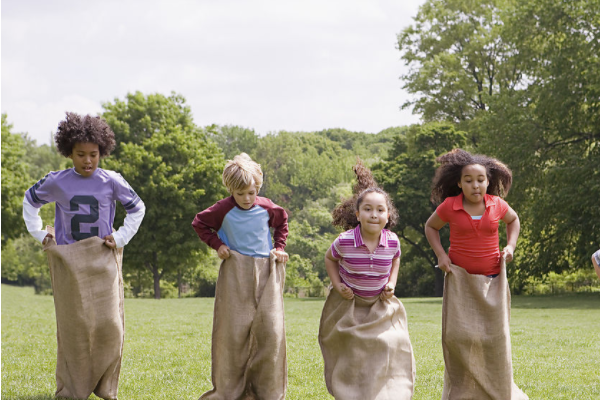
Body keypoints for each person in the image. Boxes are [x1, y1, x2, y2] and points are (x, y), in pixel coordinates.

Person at [23, 112, 145, 400]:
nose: (88, 161)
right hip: (69, 259)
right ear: (69, 152)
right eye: (80, 155)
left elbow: (137, 208)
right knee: (74, 327)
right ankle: (72, 388)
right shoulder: (57, 181)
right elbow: (30, 201)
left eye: (93, 154)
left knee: (110, 325)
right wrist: (40, 233)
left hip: (103, 256)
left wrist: (121, 236)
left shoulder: (112, 181)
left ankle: (105, 386)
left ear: (102, 151)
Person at [424, 148, 527, 400]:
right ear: (459, 184)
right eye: (468, 181)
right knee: (457, 336)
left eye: (480, 180)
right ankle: (463, 391)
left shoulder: (497, 205)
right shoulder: (450, 206)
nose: (475, 185)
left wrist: (510, 246)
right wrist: (441, 254)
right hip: (459, 280)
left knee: (495, 337)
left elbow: (514, 221)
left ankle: (497, 390)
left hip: (493, 281)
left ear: (488, 181)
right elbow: (430, 227)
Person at [192, 153, 289, 400]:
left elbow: (282, 222)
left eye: (251, 192)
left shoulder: (267, 207)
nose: (247, 198)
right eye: (240, 193)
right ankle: (228, 390)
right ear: (230, 190)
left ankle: (267, 390)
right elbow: (200, 223)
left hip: (266, 270)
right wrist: (218, 245)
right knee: (233, 333)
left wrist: (279, 247)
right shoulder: (222, 209)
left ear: (258, 188)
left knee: (271, 330)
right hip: (235, 271)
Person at [318, 160, 415, 400]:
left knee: (391, 342)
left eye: (380, 210)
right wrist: (337, 284)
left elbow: (396, 259)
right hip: (350, 304)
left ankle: (388, 392)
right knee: (353, 349)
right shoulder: (345, 241)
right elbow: (330, 259)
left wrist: (392, 282)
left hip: (380, 304)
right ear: (357, 214)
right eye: (368, 209)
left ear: (388, 215)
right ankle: (352, 392)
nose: (374, 214)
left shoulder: (392, 240)